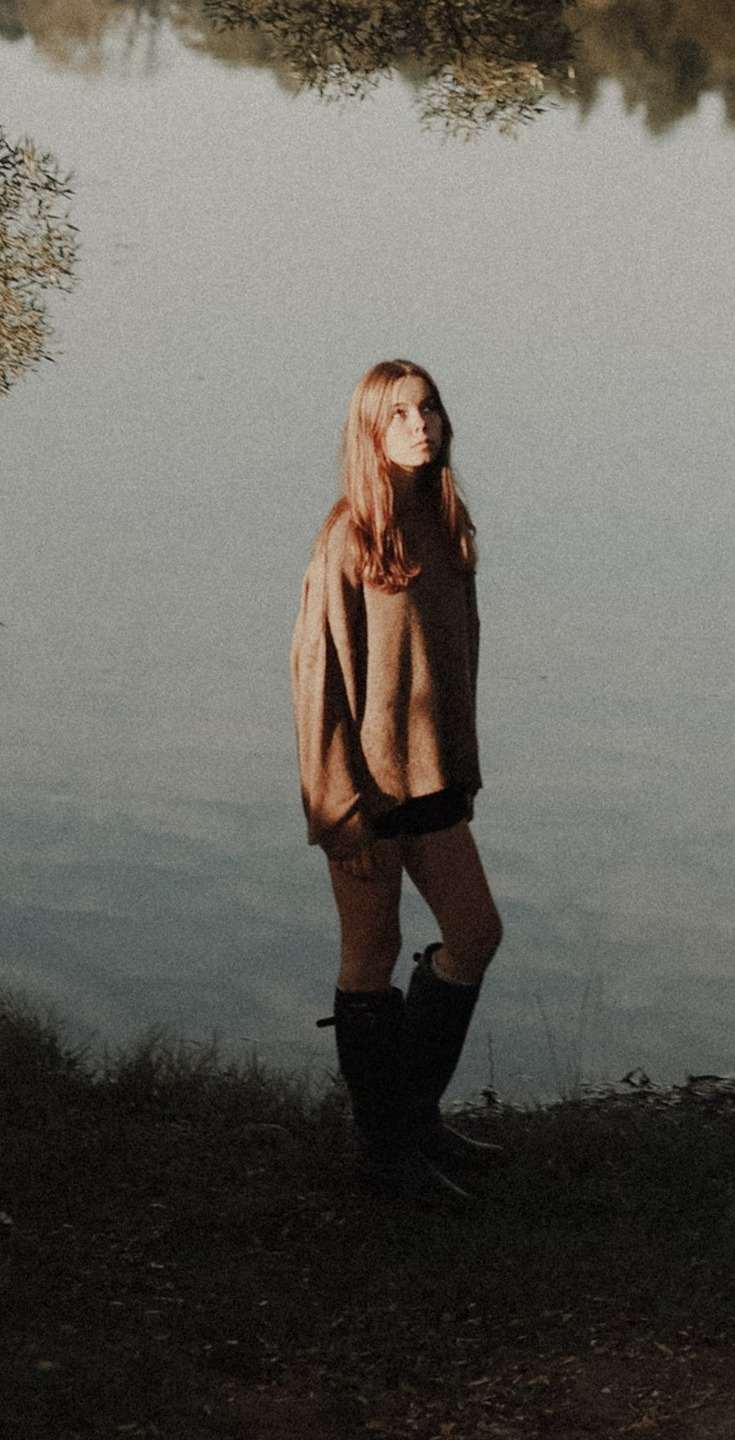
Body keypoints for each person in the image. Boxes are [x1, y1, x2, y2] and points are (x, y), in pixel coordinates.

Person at [292, 357, 506, 1203]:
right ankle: (386, 1155)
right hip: (367, 794)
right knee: (370, 955)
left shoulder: (446, 525)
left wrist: (465, 767)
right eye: (401, 414)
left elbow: (457, 662)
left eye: (430, 409)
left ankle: (409, 1116)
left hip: (435, 780)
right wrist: (338, 811)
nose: (421, 425)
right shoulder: (349, 537)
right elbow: (316, 681)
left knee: (475, 932)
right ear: (371, 431)